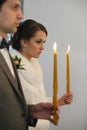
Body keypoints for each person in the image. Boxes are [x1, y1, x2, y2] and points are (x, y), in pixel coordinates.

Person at [0, 1, 60, 130]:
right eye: (14, 7)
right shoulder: (14, 60)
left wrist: (31, 112)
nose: (21, 15)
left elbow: (13, 104)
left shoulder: (30, 63)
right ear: (24, 42)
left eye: (44, 42)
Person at [10, 19, 73, 130]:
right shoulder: (10, 66)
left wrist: (57, 102)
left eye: (44, 42)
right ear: (24, 42)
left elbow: (36, 101)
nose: (43, 47)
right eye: (38, 42)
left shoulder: (33, 64)